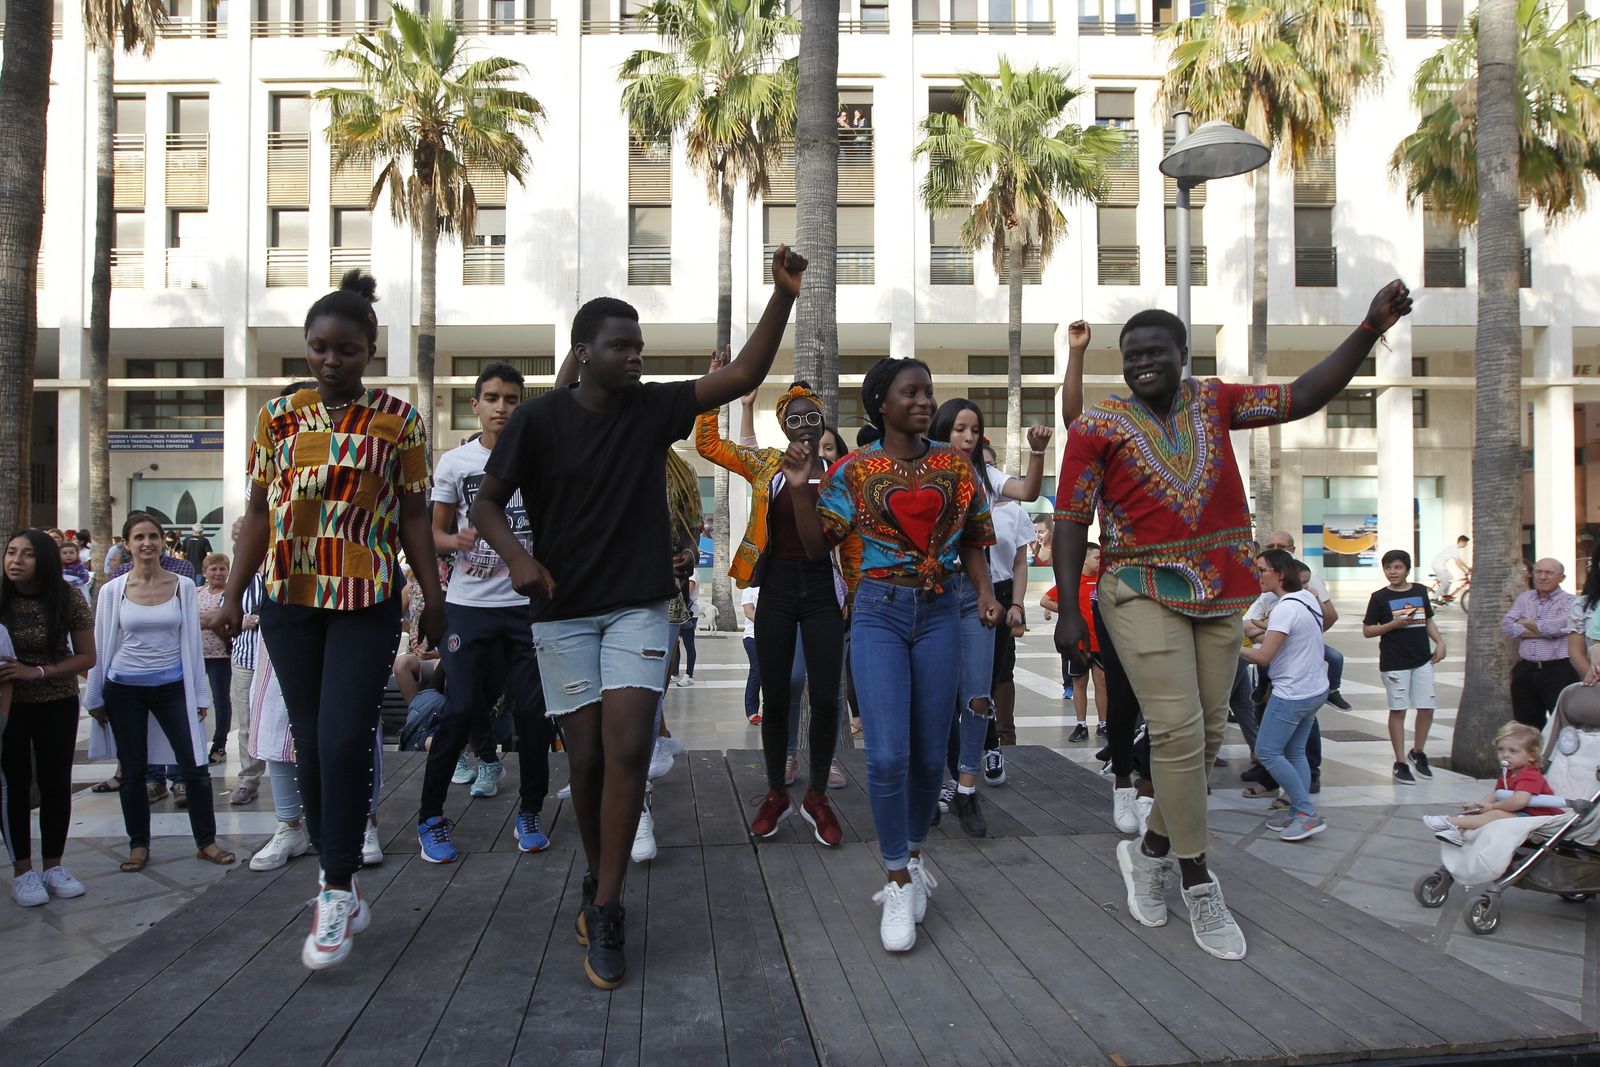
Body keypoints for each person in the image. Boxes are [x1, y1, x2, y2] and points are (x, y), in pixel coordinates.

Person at [471, 247, 806, 989]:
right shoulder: (538, 420)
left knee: (625, 752)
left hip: (638, 607)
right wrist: (519, 563)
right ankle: (600, 878)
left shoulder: (652, 407)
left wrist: (782, 295)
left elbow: (743, 376)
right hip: (562, 614)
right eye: (620, 347)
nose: (634, 358)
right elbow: (485, 502)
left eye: (640, 348)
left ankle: (610, 903)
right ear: (583, 353)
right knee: (584, 761)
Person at [1053, 281, 1414, 962]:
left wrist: (1370, 327)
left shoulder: (1215, 399)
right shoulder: (1097, 426)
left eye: (1156, 351)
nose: (1142, 363)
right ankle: (1196, 877)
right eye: (1131, 355)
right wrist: (1071, 605)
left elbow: (1301, 395)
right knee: (1179, 730)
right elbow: (1071, 520)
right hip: (1136, 583)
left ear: (1184, 354)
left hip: (1222, 588)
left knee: (1211, 732)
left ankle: (1151, 848)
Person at [216, 271, 445, 972]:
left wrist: (432, 595)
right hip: (290, 600)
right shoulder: (279, 416)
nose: (330, 360)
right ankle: (333, 873)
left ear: (369, 350)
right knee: (307, 742)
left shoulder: (398, 420)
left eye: (345, 349)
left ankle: (338, 886)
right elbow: (259, 513)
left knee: (346, 737)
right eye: (318, 348)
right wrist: (235, 592)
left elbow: (412, 515)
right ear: (306, 350)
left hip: (366, 598)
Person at [786, 356, 998, 953]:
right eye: (911, 393)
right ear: (882, 403)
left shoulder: (956, 468)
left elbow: (978, 540)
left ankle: (914, 855)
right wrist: (802, 491)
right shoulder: (853, 472)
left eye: (928, 392)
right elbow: (814, 544)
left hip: (940, 610)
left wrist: (984, 594)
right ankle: (897, 876)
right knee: (885, 755)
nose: (925, 401)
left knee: (931, 756)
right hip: (877, 610)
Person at [695, 353, 851, 845]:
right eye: (794, 419)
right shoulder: (765, 466)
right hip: (778, 589)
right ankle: (775, 793)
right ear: (782, 426)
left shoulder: (842, 476)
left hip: (825, 592)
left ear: (823, 422)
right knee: (777, 695)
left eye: (812, 418)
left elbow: (847, 542)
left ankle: (818, 795)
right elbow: (709, 444)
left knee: (826, 698)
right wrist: (716, 388)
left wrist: (862, 595)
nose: (804, 427)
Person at [415, 360, 553, 864]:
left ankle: (531, 810)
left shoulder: (539, 461)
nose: (501, 407)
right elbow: (431, 534)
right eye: (492, 398)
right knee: (459, 710)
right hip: (468, 608)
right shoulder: (456, 464)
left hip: (527, 608)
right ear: (474, 405)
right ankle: (431, 818)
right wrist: (454, 539)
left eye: (511, 399)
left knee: (535, 715)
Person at [87, 512, 234, 875]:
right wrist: (96, 697)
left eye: (153, 536)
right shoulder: (112, 590)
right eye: (138, 537)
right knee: (134, 770)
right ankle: (138, 845)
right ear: (127, 544)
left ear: (163, 541)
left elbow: (191, 642)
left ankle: (206, 842)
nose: (147, 543)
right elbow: (102, 642)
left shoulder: (182, 586)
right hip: (125, 688)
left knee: (195, 766)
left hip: (172, 688)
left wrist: (199, 695)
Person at [929, 400, 1048, 838]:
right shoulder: (922, 471)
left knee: (978, 697)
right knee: (938, 698)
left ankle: (967, 787)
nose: (967, 437)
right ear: (942, 431)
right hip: (932, 593)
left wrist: (1037, 453)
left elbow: (1029, 493)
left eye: (974, 430)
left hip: (977, 595)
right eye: (959, 429)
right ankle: (941, 783)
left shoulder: (986, 477)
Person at [0, 529, 97, 907]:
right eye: (10, 552)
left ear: (45, 560)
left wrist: (36, 672)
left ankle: (53, 865)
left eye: (26, 554)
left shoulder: (68, 596)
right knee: (15, 784)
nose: (15, 561)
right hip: (8, 708)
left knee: (56, 782)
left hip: (56, 699)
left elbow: (86, 657)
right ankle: (22, 872)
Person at [1238, 551, 1328, 841]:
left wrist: (1229, 646)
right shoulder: (1306, 599)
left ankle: (1306, 813)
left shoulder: (1286, 608)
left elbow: (1263, 657)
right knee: (1295, 752)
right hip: (1313, 688)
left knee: (1267, 752)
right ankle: (1297, 811)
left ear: (1279, 573)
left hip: (1292, 692)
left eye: (1262, 570)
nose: (1258, 575)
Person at [977, 441, 1035, 786]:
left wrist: (1016, 604)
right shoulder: (961, 501)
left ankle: (994, 744)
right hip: (965, 589)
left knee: (995, 675)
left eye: (989, 465)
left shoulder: (1014, 511)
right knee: (964, 678)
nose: (984, 472)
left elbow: (1019, 563)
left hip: (1000, 592)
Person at [1362, 549, 1446, 783]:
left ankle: (1418, 751)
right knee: (1398, 710)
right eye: (1388, 568)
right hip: (1394, 661)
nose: (1392, 572)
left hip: (1422, 659)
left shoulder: (1419, 591)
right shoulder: (1379, 597)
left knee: (1427, 707)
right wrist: (1393, 624)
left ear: (1407, 569)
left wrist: (1440, 642)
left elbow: (1427, 619)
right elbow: (1368, 630)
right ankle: (1400, 761)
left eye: (1397, 567)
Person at [1422, 722, 1564, 846]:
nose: (1505, 755)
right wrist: (1479, 805)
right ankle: (1458, 832)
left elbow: (1519, 801)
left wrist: (1492, 806)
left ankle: (1450, 822)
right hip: (1523, 814)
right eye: (1501, 749)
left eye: (1513, 751)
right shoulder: (1508, 773)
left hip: (1541, 818)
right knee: (1478, 813)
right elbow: (1497, 794)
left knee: (1495, 813)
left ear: (1532, 756)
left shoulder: (1530, 775)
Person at [1262, 530, 1349, 711]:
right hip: (1272, 657)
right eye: (1271, 547)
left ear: (1292, 549)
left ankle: (1333, 690)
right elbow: (1250, 619)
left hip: (1297, 679)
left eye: (1281, 547)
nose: (1276, 550)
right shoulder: (1263, 578)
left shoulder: (1306, 579)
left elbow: (1330, 615)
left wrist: (1302, 637)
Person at [1500, 559, 1578, 732]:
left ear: (1562, 577)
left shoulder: (1571, 602)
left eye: (1549, 573)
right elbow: (1507, 625)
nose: (1542, 577)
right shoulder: (1525, 597)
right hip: (1526, 670)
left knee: (1563, 723)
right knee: (1526, 726)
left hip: (1558, 670)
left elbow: (1555, 628)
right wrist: (1542, 629)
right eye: (1539, 571)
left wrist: (1524, 622)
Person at [195, 553, 233, 764]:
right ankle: (196, 743)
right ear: (205, 572)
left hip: (221, 655)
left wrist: (209, 618)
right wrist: (215, 618)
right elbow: (190, 617)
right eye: (214, 569)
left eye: (222, 569)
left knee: (221, 700)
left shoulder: (231, 594)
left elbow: (227, 617)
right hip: (197, 655)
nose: (218, 573)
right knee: (195, 701)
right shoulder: (196, 592)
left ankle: (219, 745)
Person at [740, 585, 762, 725]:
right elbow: (749, 612)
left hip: (773, 637)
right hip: (752, 636)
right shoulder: (749, 589)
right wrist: (767, 624)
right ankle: (751, 710)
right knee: (757, 670)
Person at [1430, 535, 1471, 599]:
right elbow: (1457, 563)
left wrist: (1468, 568)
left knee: (1450, 577)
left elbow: (1460, 560)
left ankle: (1445, 596)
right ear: (1462, 542)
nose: (1466, 545)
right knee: (1445, 583)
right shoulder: (1454, 549)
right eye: (1466, 543)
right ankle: (1434, 598)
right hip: (1438, 565)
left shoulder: (1455, 548)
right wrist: (1465, 572)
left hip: (1441, 566)